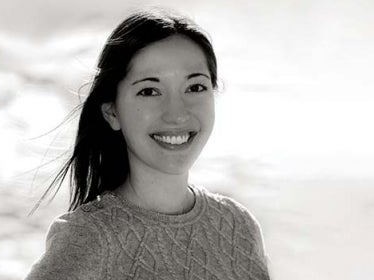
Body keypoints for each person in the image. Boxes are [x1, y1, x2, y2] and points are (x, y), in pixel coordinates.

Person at [25, 8, 271, 280]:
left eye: (195, 87)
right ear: (112, 112)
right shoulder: (88, 237)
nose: (177, 114)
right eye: (149, 91)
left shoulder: (239, 227)